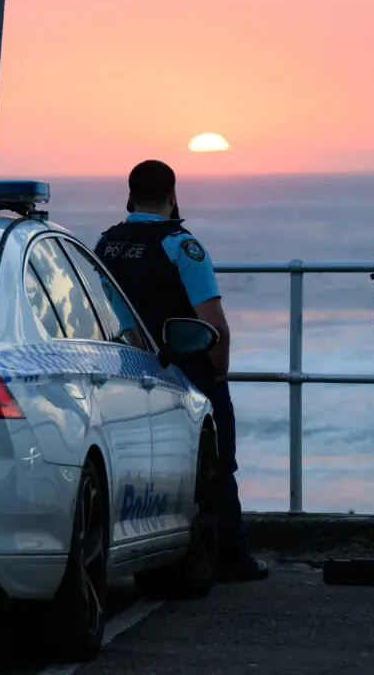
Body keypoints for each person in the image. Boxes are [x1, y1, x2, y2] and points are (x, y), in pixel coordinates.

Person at [94, 159, 269, 582]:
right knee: (215, 463)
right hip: (185, 370)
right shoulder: (181, 245)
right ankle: (230, 556)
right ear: (173, 196)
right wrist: (219, 374)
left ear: (129, 195)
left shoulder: (105, 244)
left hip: (126, 369)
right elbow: (214, 325)